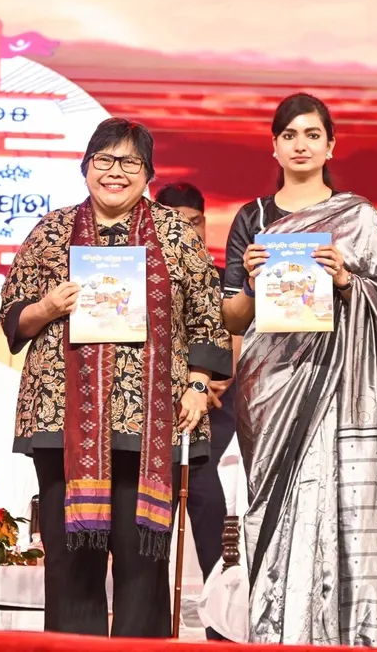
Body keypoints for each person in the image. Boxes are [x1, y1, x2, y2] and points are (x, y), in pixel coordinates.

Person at [222, 93, 377, 646]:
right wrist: (250, 282)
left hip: (341, 388)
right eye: (290, 135)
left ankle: (349, 632)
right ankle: (280, 631)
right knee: (277, 507)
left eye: (312, 134)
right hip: (272, 390)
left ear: (330, 144)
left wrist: (348, 281)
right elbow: (234, 316)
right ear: (274, 145)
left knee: (340, 500)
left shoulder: (357, 215)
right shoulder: (253, 217)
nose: (301, 144)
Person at [1, 119, 231, 638]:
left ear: (147, 174)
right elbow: (13, 317)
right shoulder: (51, 231)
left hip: (151, 419)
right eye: (104, 160)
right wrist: (47, 305)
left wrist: (198, 383)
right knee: (69, 561)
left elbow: (206, 318)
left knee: (141, 563)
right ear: (85, 167)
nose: (115, 172)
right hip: (62, 417)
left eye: (130, 162)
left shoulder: (175, 233)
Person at [154, 181, 234, 642]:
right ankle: (152, 626)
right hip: (160, 416)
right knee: (153, 528)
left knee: (213, 522)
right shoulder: (148, 278)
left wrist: (212, 380)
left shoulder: (222, 277)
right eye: (176, 217)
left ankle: (221, 628)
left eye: (194, 219)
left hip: (217, 417)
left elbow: (237, 335)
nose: (186, 227)